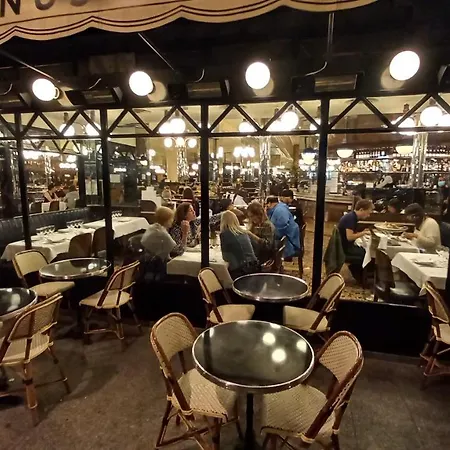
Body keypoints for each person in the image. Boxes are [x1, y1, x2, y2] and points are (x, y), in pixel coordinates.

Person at [337, 199, 374, 279]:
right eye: (368, 213)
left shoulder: (352, 216)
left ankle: (362, 275)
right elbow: (349, 237)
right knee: (365, 254)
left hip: (344, 246)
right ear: (361, 210)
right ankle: (361, 277)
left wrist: (362, 232)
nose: (368, 215)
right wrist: (363, 233)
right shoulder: (351, 219)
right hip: (344, 249)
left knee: (364, 251)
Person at [220, 210, 258, 279]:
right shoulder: (243, 231)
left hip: (241, 270)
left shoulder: (224, 234)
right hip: (254, 266)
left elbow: (225, 257)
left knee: (222, 275)